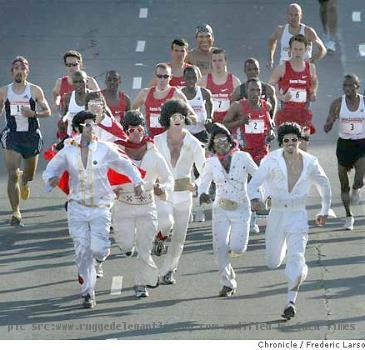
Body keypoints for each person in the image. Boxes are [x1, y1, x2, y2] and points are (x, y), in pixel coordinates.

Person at [43, 111, 144, 309]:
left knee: (98, 250)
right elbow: (51, 169)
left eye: (93, 124)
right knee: (82, 251)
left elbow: (125, 164)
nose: (92, 128)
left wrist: (138, 181)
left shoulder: (104, 149)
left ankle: (100, 258)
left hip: (100, 207)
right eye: (88, 124)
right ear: (79, 128)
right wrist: (51, 180)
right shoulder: (68, 151)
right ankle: (88, 292)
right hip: (77, 208)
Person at [248, 122, 332, 320]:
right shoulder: (271, 160)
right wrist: (255, 200)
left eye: (294, 139)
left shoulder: (311, 161)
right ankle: (294, 263)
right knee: (272, 261)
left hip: (297, 214)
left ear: (299, 141)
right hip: (277, 213)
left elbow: (324, 184)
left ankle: (290, 301)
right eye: (286, 140)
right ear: (281, 142)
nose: (291, 143)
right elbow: (254, 184)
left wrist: (324, 210)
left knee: (296, 257)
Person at [113, 110, 174, 297]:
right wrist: (110, 189)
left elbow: (169, 178)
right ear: (125, 131)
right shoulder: (115, 152)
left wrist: (161, 188)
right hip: (124, 205)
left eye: (140, 128)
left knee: (144, 247)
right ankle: (127, 247)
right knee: (126, 244)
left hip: (148, 205)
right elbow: (102, 175)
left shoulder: (154, 153)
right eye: (132, 129)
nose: (137, 133)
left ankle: (142, 284)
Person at [198, 123, 258, 297]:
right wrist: (202, 194)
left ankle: (233, 253)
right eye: (217, 142)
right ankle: (227, 283)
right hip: (220, 210)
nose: (221, 145)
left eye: (224, 140)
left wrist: (259, 196)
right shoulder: (211, 162)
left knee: (238, 247)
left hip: (241, 208)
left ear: (231, 141)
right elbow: (203, 182)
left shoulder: (243, 157)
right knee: (219, 248)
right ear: (213, 145)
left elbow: (258, 175)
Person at [154, 99, 206, 285]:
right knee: (166, 223)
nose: (177, 120)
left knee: (179, 238)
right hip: (162, 194)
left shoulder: (193, 143)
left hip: (184, 194)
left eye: (181, 117)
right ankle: (159, 237)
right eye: (174, 116)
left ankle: (169, 270)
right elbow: (150, 167)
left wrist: (198, 184)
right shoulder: (157, 141)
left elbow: (204, 169)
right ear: (167, 119)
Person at [0, 56, 51, 226]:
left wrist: (34, 114)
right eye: (16, 68)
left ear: (27, 72)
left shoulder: (35, 90)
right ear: (12, 71)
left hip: (31, 136)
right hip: (12, 135)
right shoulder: (4, 91)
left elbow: (48, 111)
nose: (19, 70)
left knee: (28, 174)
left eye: (22, 68)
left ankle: (25, 181)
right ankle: (16, 212)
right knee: (12, 173)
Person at [224, 78, 275, 233]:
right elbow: (224, 125)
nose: (255, 93)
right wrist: (240, 122)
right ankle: (243, 217)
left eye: (258, 90)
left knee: (259, 183)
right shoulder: (238, 106)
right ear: (246, 91)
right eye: (252, 90)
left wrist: (271, 132)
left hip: (261, 151)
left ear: (262, 92)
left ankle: (256, 217)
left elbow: (269, 125)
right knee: (243, 186)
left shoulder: (267, 106)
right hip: (244, 152)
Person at [324, 74, 365, 230]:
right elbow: (327, 126)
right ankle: (349, 216)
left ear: (357, 86)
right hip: (344, 145)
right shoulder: (337, 103)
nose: (347, 88)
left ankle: (357, 189)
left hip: (361, 144)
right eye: (345, 86)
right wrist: (331, 122)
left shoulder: (364, 102)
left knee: (359, 180)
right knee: (343, 184)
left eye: (350, 85)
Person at [269, 34, 318, 151]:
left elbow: (315, 81)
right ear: (290, 50)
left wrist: (313, 92)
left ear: (306, 50)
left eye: (301, 49)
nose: (297, 52)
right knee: (288, 149)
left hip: (304, 114)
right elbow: (269, 85)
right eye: (295, 49)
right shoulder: (282, 68)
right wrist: (281, 96)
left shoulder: (310, 68)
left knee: (303, 148)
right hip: (287, 115)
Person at [132, 63, 194, 137]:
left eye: (165, 76)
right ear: (155, 76)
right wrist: (139, 122)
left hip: (170, 139)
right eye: (159, 76)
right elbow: (133, 109)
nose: (162, 79)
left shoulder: (176, 94)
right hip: (151, 138)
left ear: (170, 77)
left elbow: (193, 116)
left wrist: (179, 121)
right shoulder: (145, 93)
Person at [51, 50, 99, 140]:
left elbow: (100, 99)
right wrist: (57, 102)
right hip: (67, 124)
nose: (71, 68)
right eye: (68, 65)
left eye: (74, 64)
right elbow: (56, 93)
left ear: (80, 64)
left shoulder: (89, 81)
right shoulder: (60, 82)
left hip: (86, 124)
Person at [267, 3, 326, 69]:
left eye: (296, 15)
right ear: (287, 15)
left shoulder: (308, 31)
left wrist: (311, 60)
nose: (293, 17)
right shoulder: (280, 30)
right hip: (284, 71)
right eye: (291, 15)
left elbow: (322, 49)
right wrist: (270, 58)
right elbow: (271, 40)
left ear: (301, 16)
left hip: (302, 71)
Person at [200, 48, 241, 123]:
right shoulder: (203, 81)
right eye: (214, 61)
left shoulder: (235, 82)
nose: (217, 64)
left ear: (225, 61)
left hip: (229, 123)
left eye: (220, 60)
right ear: (211, 62)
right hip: (210, 124)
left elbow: (239, 106)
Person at [62, 70, 89, 137]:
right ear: (72, 83)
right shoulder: (68, 97)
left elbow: (104, 115)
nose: (78, 84)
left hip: (90, 136)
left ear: (87, 81)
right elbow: (65, 113)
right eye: (75, 82)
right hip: (72, 137)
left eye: (81, 81)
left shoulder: (94, 96)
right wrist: (62, 120)